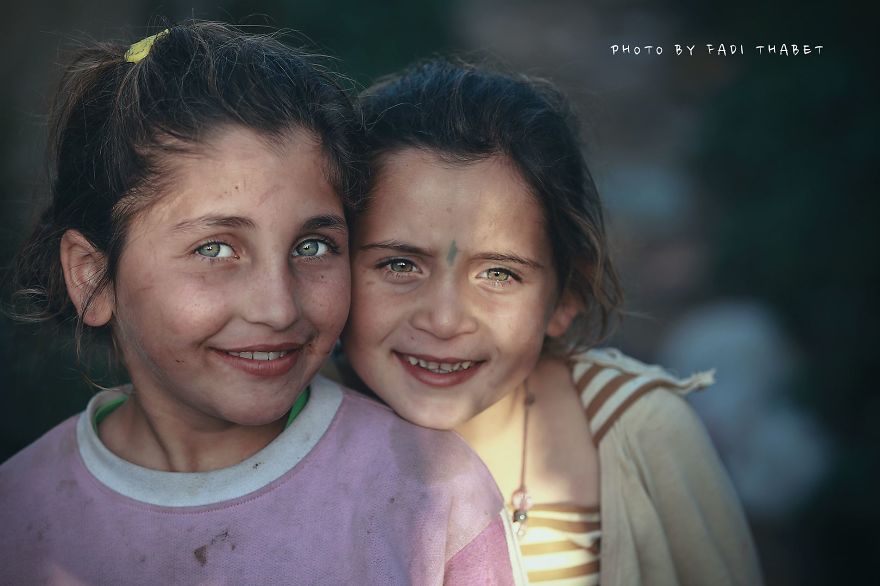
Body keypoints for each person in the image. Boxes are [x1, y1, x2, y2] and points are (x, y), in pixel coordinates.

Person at [0, 25, 524, 585]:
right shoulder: (20, 514)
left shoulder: (431, 494)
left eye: (313, 246)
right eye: (216, 249)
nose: (278, 308)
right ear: (94, 278)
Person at [340, 58, 763, 585]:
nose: (445, 320)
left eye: (499, 273)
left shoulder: (636, 432)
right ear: (332, 269)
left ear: (566, 295)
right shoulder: (286, 426)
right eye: (399, 265)